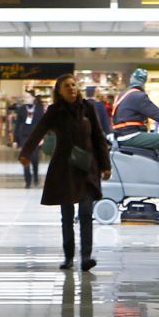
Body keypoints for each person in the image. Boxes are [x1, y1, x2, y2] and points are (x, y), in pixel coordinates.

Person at [22, 73, 114, 271]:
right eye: (67, 86)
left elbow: (98, 136)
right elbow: (38, 130)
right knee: (67, 215)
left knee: (86, 212)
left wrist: (106, 165)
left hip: (87, 167)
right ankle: (69, 257)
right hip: (64, 168)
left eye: (74, 85)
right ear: (60, 92)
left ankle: (86, 256)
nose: (72, 88)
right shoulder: (55, 111)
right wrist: (26, 153)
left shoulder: (88, 108)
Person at [11, 89, 43, 188]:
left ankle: (36, 177)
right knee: (25, 158)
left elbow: (43, 125)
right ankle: (27, 180)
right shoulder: (21, 109)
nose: (25, 99)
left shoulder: (39, 109)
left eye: (28, 97)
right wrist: (15, 140)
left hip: (36, 138)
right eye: (24, 97)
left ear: (33, 98)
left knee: (35, 159)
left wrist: (42, 137)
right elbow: (17, 125)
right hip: (24, 137)